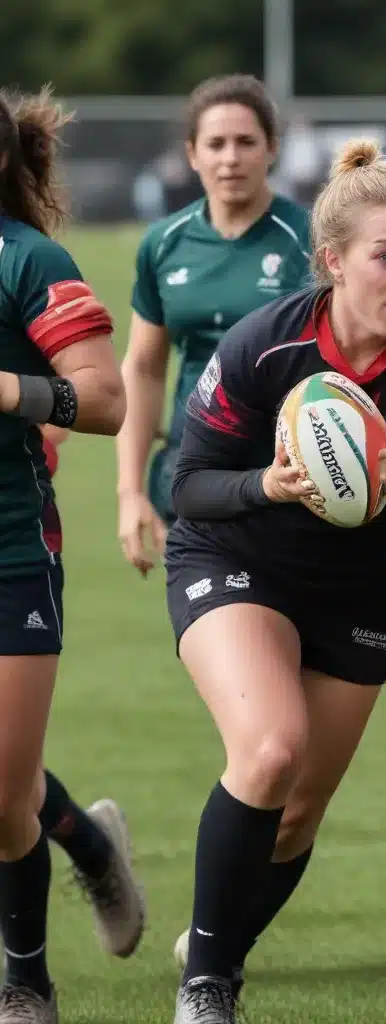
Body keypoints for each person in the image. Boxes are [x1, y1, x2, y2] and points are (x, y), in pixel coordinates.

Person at [164, 138, 386, 1024]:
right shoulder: (268, 343)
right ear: (334, 262)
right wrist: (271, 484)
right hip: (235, 558)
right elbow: (189, 484)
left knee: (295, 816)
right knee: (270, 750)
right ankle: (209, 987)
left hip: (362, 591)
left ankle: (212, 938)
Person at [0, 87, 140, 1023]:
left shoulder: (28, 259)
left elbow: (105, 401)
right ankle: (89, 844)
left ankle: (26, 986)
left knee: (0, 788)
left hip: (10, 550)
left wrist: (8, 389)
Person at [117, 73, 310, 578]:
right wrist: (131, 492)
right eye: (216, 144)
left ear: (272, 148)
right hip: (195, 474)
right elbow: (143, 367)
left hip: (295, 477)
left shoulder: (312, 238)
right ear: (192, 153)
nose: (230, 158)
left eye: (246, 142)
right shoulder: (163, 244)